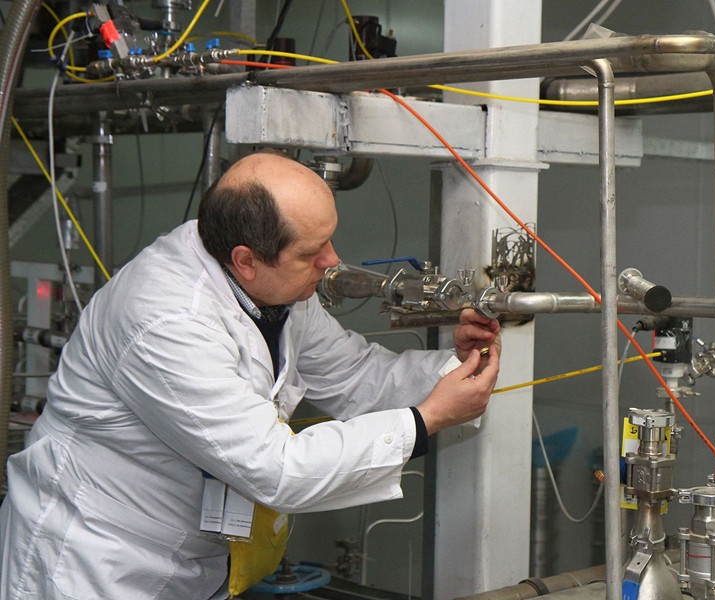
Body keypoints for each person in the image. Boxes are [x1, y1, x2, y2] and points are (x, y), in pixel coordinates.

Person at [0, 151, 500, 600]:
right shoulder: (166, 320)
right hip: (96, 561)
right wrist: (426, 419)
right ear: (246, 260)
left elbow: (353, 373)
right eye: (311, 252)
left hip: (191, 556)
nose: (331, 262)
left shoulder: (273, 284)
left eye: (329, 240)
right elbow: (275, 469)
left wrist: (455, 369)